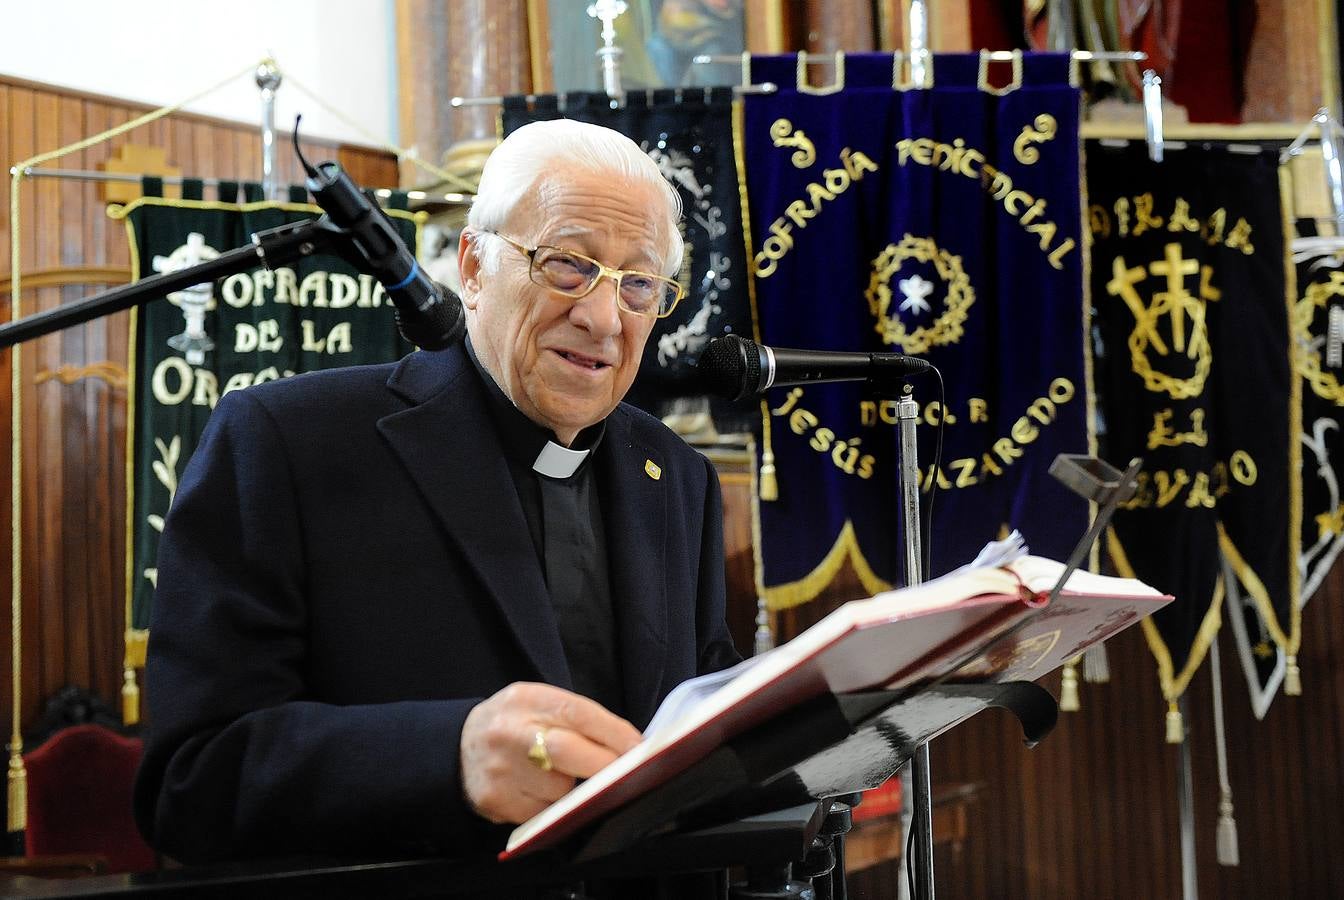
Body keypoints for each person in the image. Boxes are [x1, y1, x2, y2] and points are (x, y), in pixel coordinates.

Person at [133, 119, 741, 864]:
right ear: (475, 266)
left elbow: (704, 725)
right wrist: (447, 757)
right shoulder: (288, 441)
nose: (603, 317)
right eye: (567, 264)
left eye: (638, 283)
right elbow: (190, 784)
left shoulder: (677, 478)